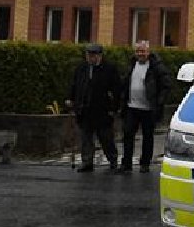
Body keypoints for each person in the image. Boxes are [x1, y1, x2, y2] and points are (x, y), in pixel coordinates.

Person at [118, 40, 174, 173]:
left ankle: (145, 163)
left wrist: (159, 101)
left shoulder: (156, 66)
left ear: (148, 52)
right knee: (127, 135)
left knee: (148, 137)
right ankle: (126, 164)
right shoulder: (131, 65)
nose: (140, 54)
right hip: (132, 107)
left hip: (148, 108)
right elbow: (125, 82)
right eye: (138, 51)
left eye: (142, 51)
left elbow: (166, 85)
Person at [65, 43, 121, 173]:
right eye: (89, 55)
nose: (91, 58)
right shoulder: (81, 68)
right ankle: (87, 162)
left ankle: (113, 161)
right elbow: (74, 84)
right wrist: (70, 98)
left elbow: (117, 89)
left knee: (106, 138)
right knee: (86, 138)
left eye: (93, 55)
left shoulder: (109, 69)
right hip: (84, 109)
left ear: (100, 56)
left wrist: (114, 107)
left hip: (102, 110)